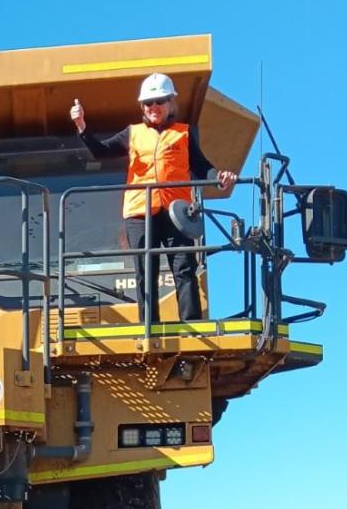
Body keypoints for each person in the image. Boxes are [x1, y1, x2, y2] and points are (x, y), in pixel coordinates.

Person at [70, 73, 237, 324]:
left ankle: (191, 325)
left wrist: (219, 176)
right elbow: (101, 152)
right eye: (148, 103)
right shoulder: (133, 133)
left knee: (184, 267)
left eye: (160, 101)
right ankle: (149, 326)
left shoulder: (184, 133)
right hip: (139, 211)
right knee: (145, 271)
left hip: (176, 212)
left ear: (171, 103)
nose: (154, 107)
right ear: (142, 107)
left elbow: (202, 166)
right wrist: (82, 127)